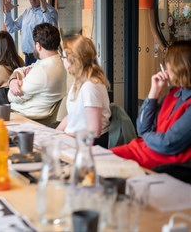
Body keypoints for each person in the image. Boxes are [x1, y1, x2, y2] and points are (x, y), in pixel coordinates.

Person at [112, 41, 191, 169]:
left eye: (168, 63)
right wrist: (153, 92)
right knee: (102, 159)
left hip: (161, 159)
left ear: (179, 67)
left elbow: (167, 143)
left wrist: (147, 135)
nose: (166, 68)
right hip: (143, 150)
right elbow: (142, 128)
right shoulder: (174, 94)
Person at [56, 35, 111, 148]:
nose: (62, 60)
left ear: (74, 61)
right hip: (74, 137)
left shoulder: (90, 87)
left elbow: (94, 132)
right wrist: (55, 133)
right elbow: (73, 116)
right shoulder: (79, 82)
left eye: (64, 57)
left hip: (89, 144)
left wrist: (64, 136)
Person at [8, 23, 66, 120]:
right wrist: (13, 79)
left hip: (23, 118)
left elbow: (11, 96)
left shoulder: (42, 71)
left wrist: (14, 81)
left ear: (38, 46)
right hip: (27, 116)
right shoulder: (56, 62)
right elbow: (22, 69)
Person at [4, 0, 58, 66]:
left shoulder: (50, 11)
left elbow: (51, 31)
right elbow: (11, 28)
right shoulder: (27, 12)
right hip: (27, 58)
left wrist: (44, 10)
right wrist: (7, 12)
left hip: (41, 58)